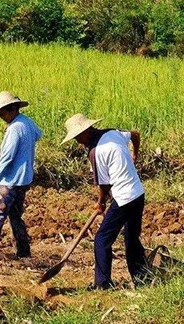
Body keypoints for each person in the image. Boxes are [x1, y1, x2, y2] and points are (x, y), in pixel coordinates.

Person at [61, 113, 148, 289]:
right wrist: (134, 155)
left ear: (86, 131)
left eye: (78, 137)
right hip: (138, 193)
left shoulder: (96, 151)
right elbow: (135, 134)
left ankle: (102, 284)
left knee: (102, 239)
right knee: (131, 238)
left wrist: (100, 203)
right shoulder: (113, 133)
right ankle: (141, 280)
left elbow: (104, 185)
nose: (78, 141)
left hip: (124, 198)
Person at [0, 91, 42, 261]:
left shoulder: (14, 128)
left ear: (12, 109)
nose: (1, 117)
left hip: (9, 180)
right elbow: (38, 135)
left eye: (2, 113)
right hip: (24, 179)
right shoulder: (26, 122)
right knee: (15, 216)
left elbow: (7, 157)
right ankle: (24, 252)